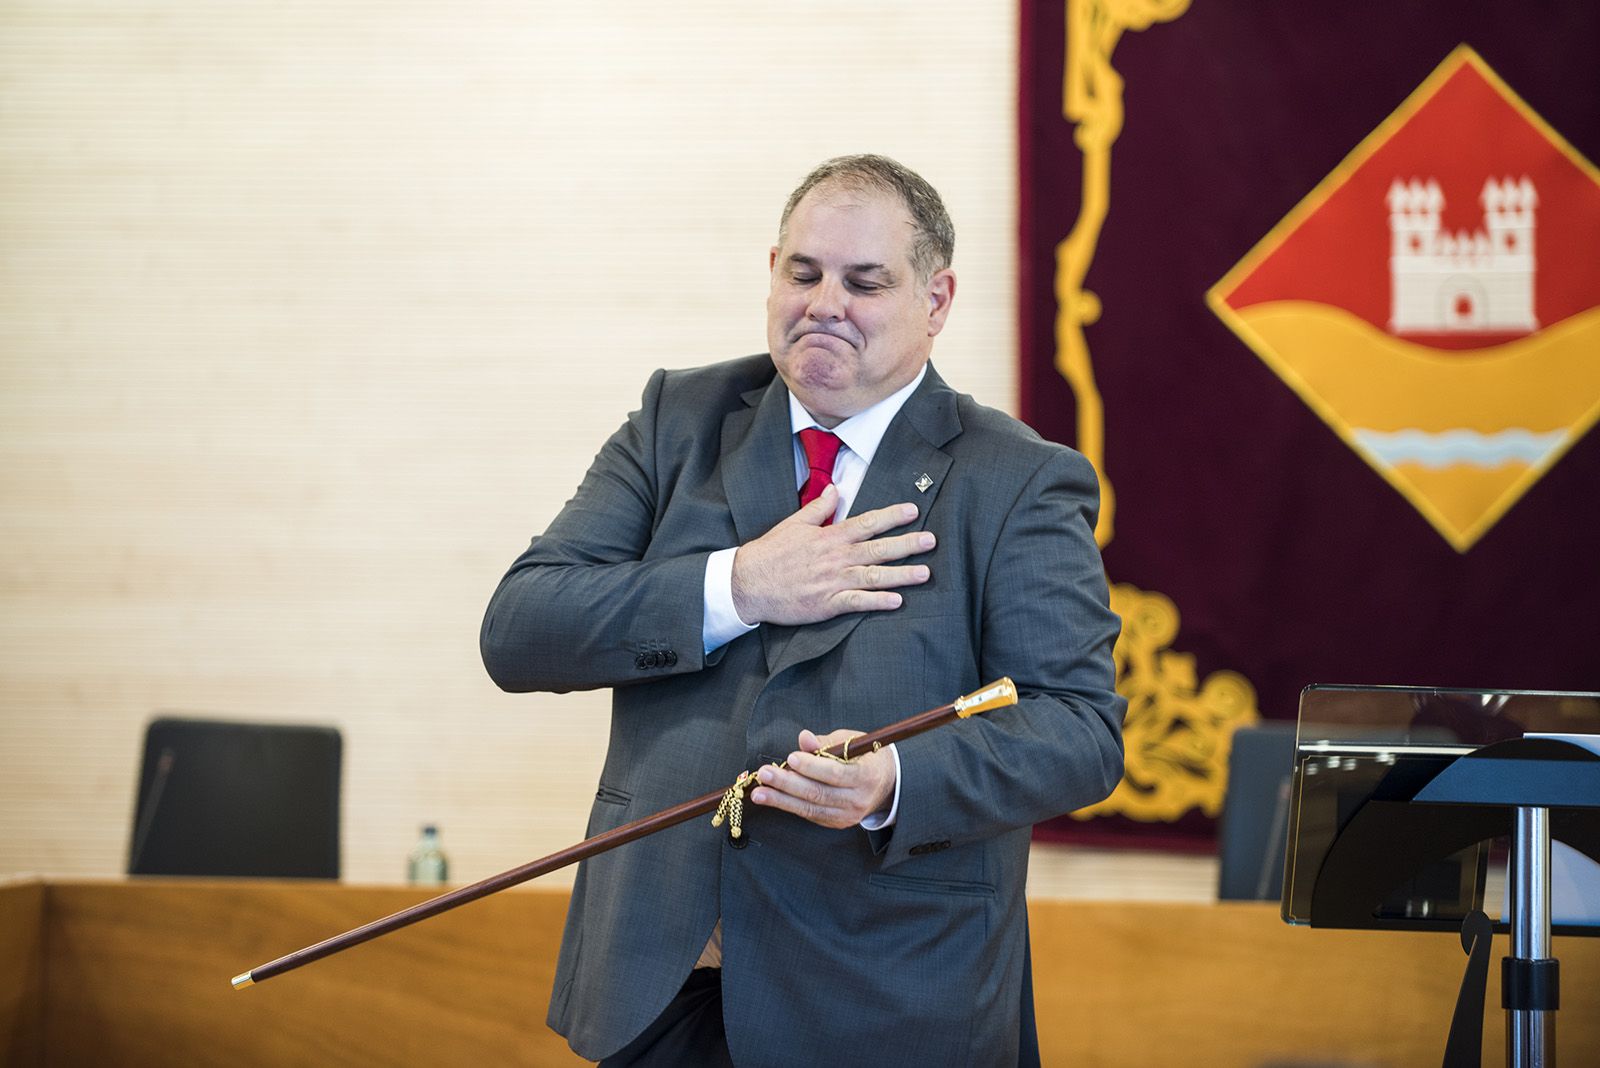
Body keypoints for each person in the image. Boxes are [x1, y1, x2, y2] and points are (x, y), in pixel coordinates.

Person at [481, 154, 1124, 1066]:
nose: (826, 303)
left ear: (936, 302)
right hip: (658, 979)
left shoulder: (1014, 478)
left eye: (865, 283)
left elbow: (1080, 730)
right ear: (772, 268)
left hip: (887, 996)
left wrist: (893, 781)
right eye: (804, 272)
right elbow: (521, 629)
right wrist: (738, 584)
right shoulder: (679, 420)